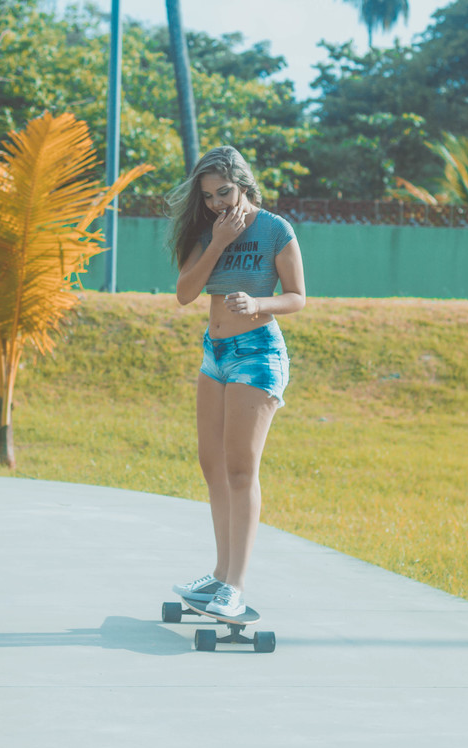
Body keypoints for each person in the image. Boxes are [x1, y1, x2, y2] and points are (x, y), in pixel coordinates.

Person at [167, 145, 306, 617]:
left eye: (224, 192)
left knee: (241, 470)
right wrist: (220, 242)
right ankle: (220, 574)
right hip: (215, 354)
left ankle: (236, 586)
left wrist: (259, 304)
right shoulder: (205, 232)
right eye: (208, 196)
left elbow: (297, 297)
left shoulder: (274, 230)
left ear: (243, 184)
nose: (217, 204)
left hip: (258, 354)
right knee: (213, 466)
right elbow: (186, 293)